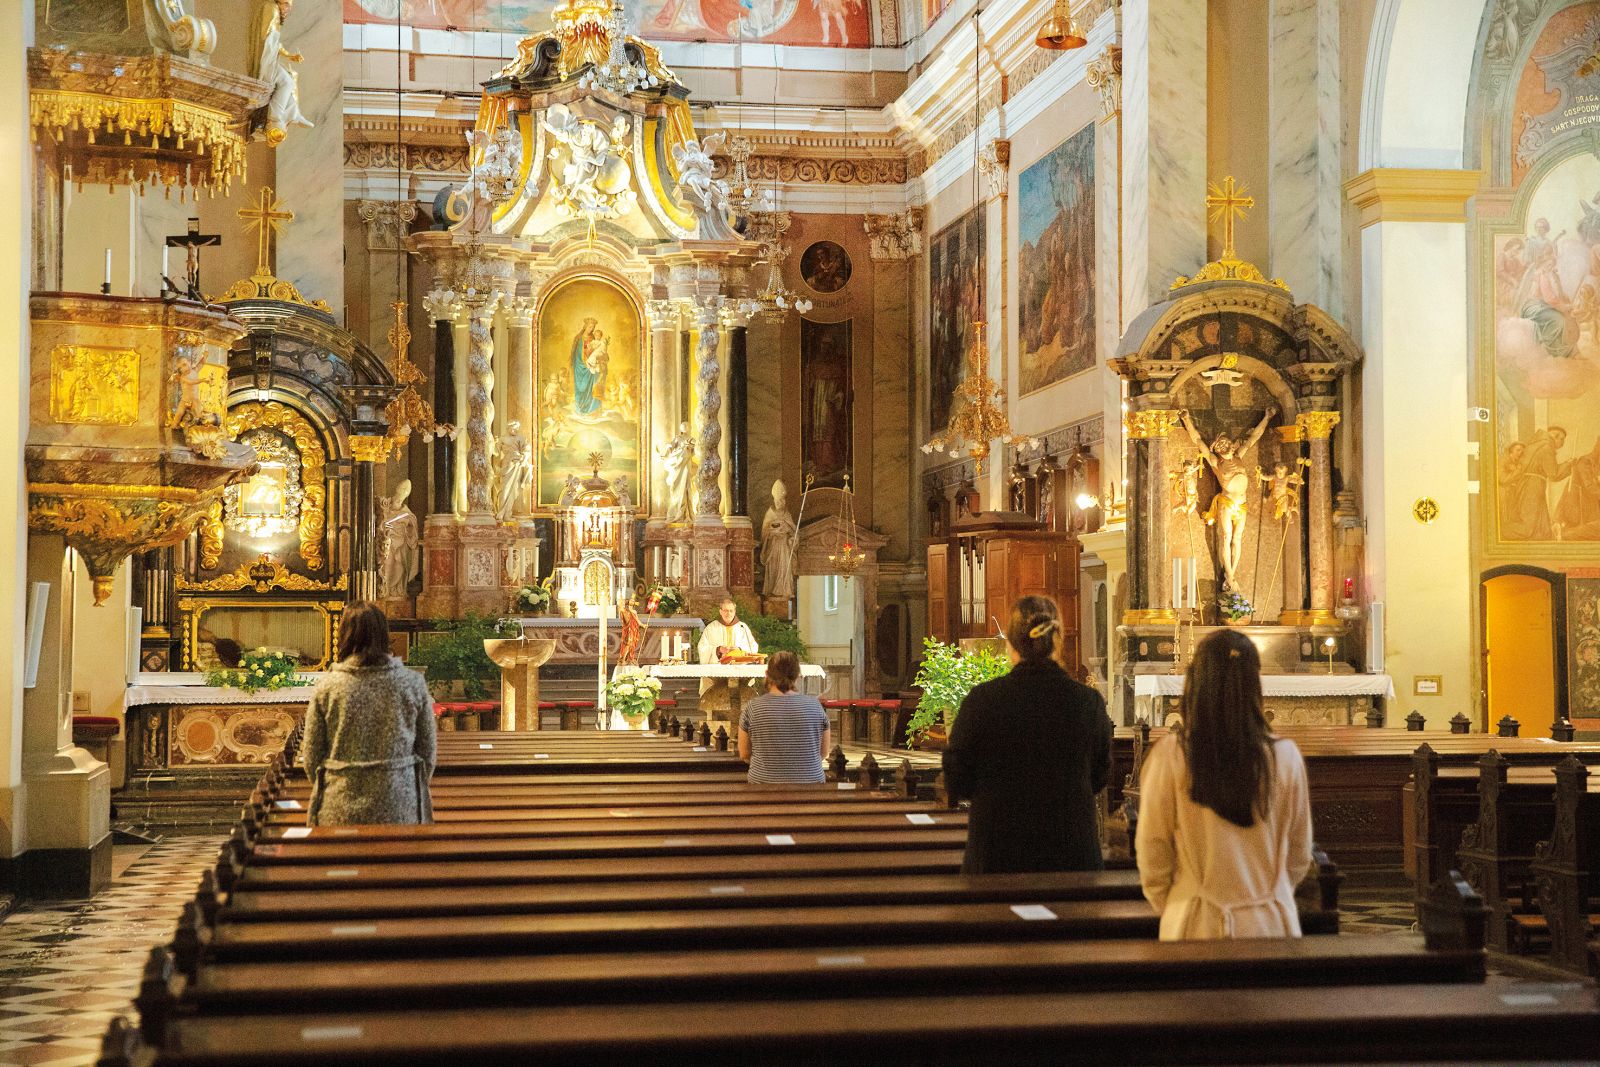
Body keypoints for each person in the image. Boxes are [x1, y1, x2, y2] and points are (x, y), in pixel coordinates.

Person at [1135, 628, 1314, 940]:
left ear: (1197, 683)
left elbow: (1153, 853)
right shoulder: (1285, 756)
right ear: (1255, 685)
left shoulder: (1172, 756)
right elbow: (1299, 854)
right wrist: (1268, 892)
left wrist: (1179, 903)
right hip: (1270, 925)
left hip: (1194, 924)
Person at [942, 595, 1113, 874]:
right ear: (1057, 640)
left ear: (1010, 643)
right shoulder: (1087, 703)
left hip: (997, 855)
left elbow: (956, 779)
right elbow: (1100, 776)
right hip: (1071, 856)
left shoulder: (982, 700)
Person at [300, 602, 436, 827]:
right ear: (384, 634)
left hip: (340, 803)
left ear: (343, 635)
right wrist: (401, 780)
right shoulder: (412, 684)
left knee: (342, 863)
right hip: (399, 803)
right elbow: (427, 753)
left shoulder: (328, 687)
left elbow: (312, 756)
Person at [739, 651, 830, 785]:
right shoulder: (815, 706)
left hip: (764, 788)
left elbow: (744, 754)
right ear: (798, 675)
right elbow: (823, 753)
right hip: (810, 787)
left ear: (767, 675)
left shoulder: (753, 707)